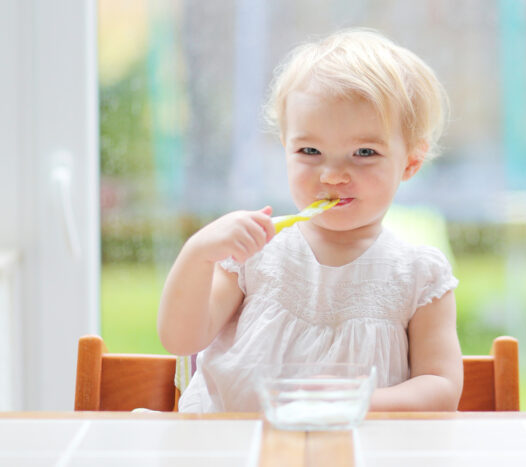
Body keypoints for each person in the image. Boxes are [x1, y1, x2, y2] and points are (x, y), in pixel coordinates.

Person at [158, 28, 463, 412]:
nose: (332, 175)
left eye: (364, 152)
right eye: (310, 150)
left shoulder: (419, 276)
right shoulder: (254, 253)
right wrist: (198, 253)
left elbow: (441, 389)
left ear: (411, 162)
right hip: (235, 448)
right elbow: (180, 339)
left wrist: (359, 402)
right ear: (284, 148)